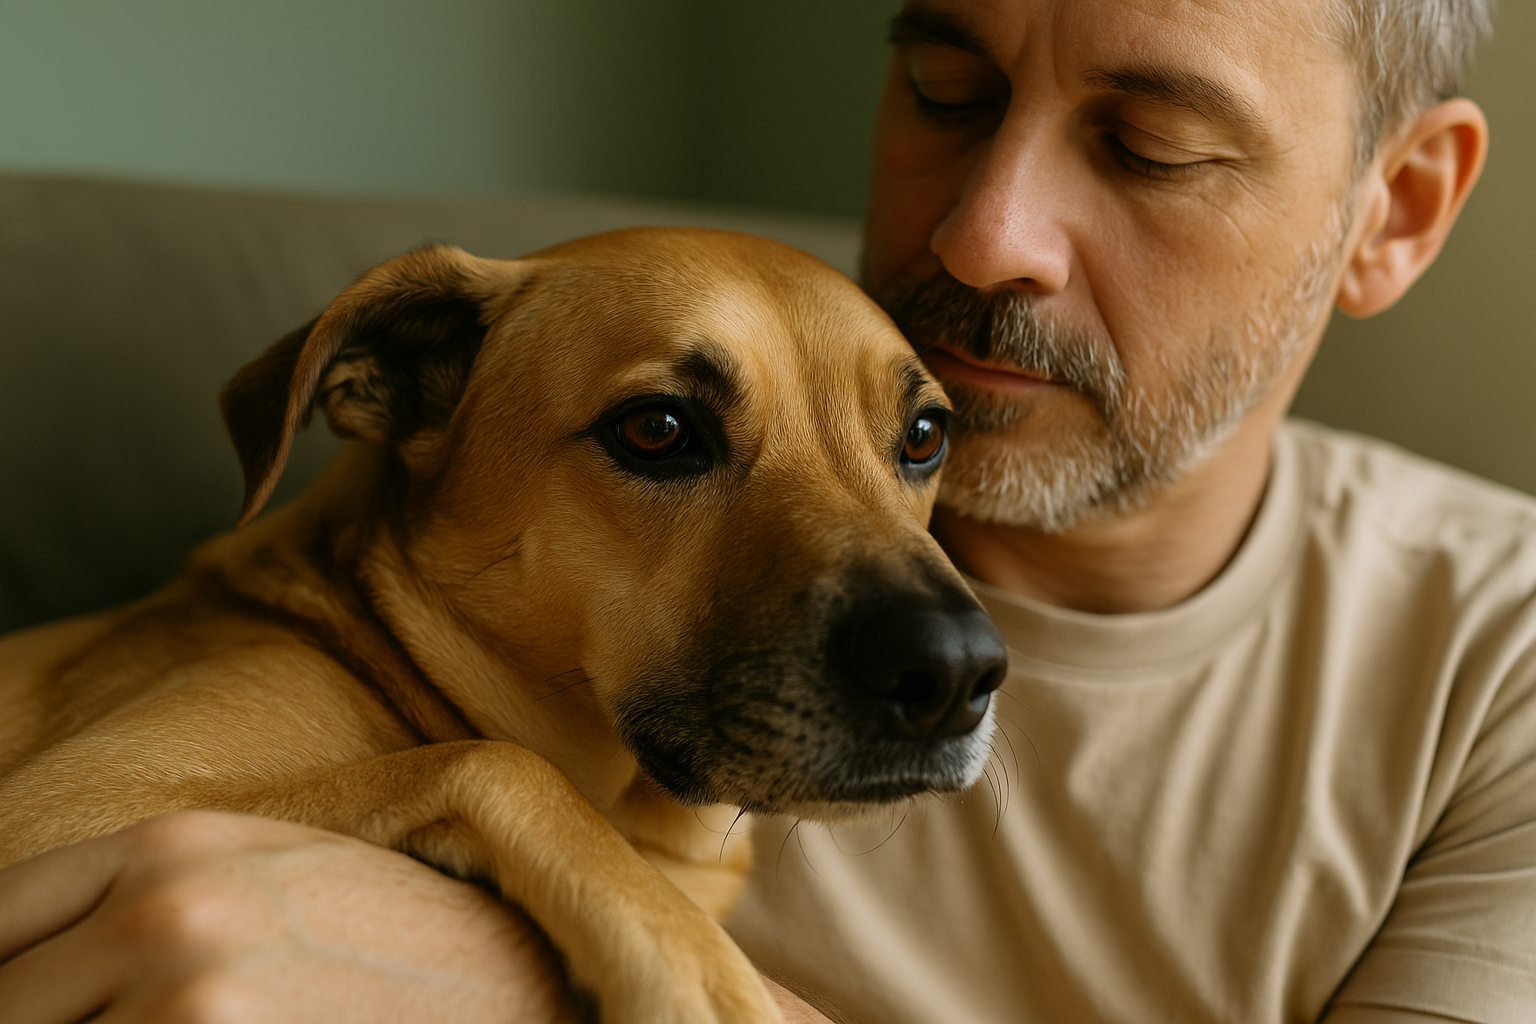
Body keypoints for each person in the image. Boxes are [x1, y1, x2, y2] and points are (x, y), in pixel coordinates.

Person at [0, 0, 1519, 1021]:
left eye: (1149, 145)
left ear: (1396, 209)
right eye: (946, 89)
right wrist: (484, 804)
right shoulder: (366, 688)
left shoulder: (1497, 669)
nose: (985, 235)